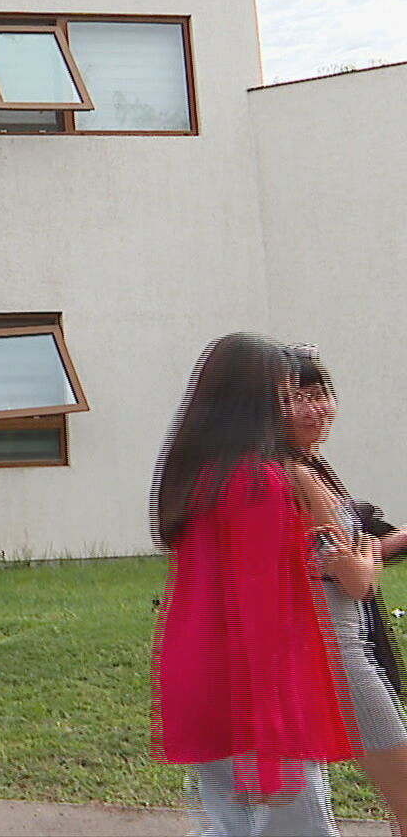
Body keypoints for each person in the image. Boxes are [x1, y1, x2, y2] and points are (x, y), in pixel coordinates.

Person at [152, 333, 356, 836]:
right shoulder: (258, 482)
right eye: (285, 397)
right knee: (300, 825)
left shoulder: (200, 474)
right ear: (257, 403)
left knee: (228, 824)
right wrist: (274, 714)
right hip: (249, 686)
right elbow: (262, 603)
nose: (292, 409)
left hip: (199, 672)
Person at [281, 344, 407, 832]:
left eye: (321, 394)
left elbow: (333, 560)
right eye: (299, 398)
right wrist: (376, 550)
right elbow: (353, 579)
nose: (316, 409)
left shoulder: (297, 468)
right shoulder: (297, 475)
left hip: (322, 652)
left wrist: (384, 543)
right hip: (337, 657)